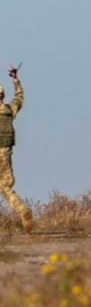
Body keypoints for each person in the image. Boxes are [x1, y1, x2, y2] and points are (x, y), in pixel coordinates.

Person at [0, 65, 31, 232]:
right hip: (5, 152)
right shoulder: (9, 109)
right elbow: (19, 97)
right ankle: (22, 210)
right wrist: (15, 79)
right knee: (5, 186)